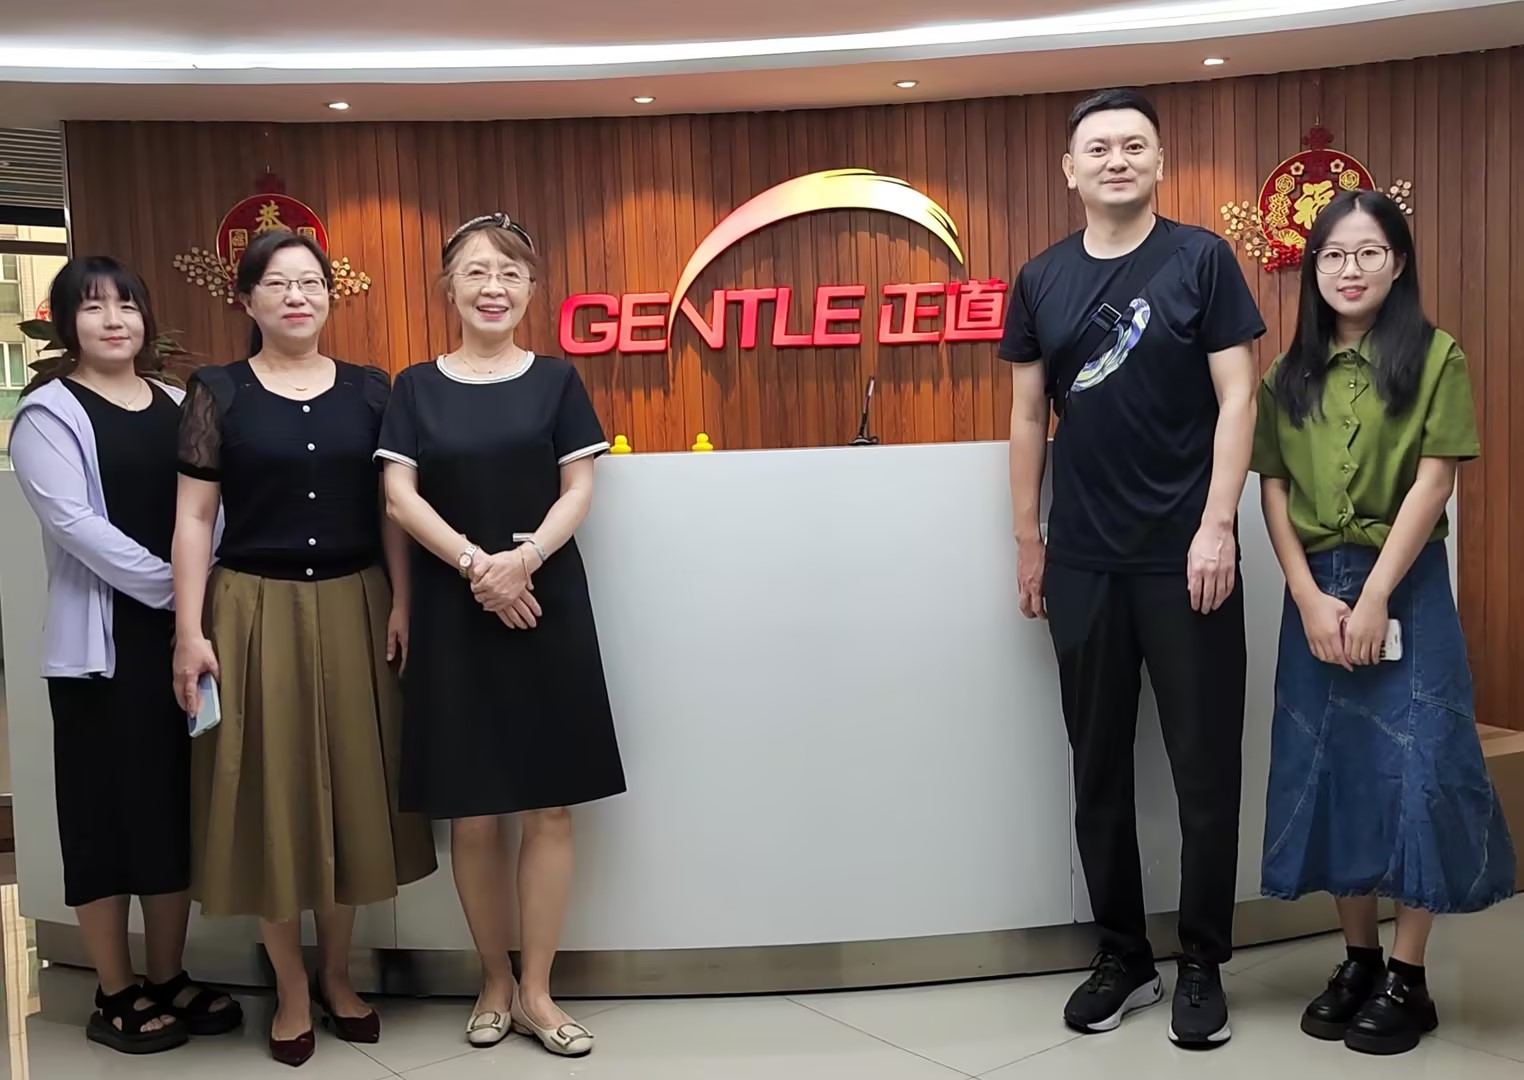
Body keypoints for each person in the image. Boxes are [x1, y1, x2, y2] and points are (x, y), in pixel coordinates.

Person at [1000, 87, 1265, 1048]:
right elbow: (1028, 415)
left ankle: (1201, 962)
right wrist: (1029, 540)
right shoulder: (1040, 278)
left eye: (1135, 145)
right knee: (1098, 767)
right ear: (1069, 170)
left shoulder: (1201, 260)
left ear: (1160, 163)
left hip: (1186, 556)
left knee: (1204, 771)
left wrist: (1218, 524)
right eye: (1099, 147)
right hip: (1083, 561)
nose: (1117, 160)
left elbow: (1239, 397)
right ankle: (1122, 956)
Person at [1251, 189, 1515, 1056]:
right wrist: (1306, 596)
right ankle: (1359, 958)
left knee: (1423, 767)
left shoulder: (1438, 357)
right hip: (1315, 592)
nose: (1350, 269)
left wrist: (1372, 599)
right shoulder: (1286, 375)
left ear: (1397, 263)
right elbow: (1274, 491)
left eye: (1368, 252)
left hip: (1405, 583)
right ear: (1313, 270)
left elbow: (1434, 482)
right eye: (1333, 255)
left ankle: (1409, 975)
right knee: (1334, 769)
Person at [171, 230, 437, 1067]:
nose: (297, 296)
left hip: (357, 601)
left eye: (311, 282)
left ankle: (337, 974)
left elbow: (395, 506)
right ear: (246, 300)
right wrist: (189, 631)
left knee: (354, 790)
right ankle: (289, 986)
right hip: (253, 610)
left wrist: (402, 601)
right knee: (274, 798)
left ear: (330, 294)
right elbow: (194, 519)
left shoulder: (371, 391)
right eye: (278, 284)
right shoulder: (217, 392)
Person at [377, 213, 624, 1055]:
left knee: (549, 805)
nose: (494, 288)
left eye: (511, 273)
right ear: (449, 287)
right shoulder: (414, 387)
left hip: (545, 601)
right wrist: (478, 568)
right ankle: (493, 980)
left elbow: (578, 489)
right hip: (456, 609)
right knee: (474, 811)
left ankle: (539, 993)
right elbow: (399, 498)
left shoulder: (557, 381)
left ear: (531, 290)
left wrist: (524, 562)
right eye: (477, 272)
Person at [8, 256, 241, 1054]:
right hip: (100, 654)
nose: (114, 321)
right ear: (67, 323)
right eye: (93, 307)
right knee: (102, 818)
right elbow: (76, 527)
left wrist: (198, 595)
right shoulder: (48, 413)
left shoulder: (177, 402)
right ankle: (114, 990)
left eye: (127, 306)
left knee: (169, 811)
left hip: (181, 638)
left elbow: (212, 507)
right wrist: (179, 589)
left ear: (146, 319)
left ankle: (167, 975)